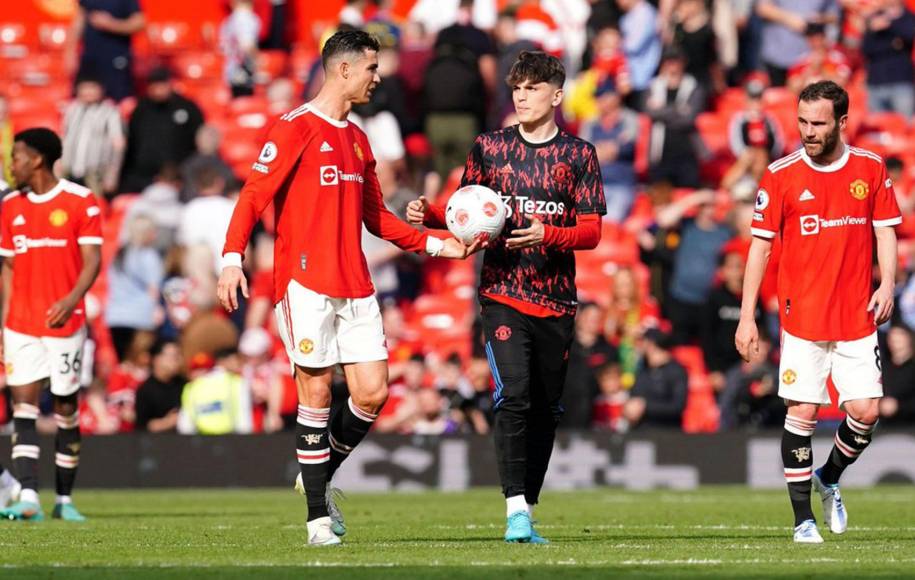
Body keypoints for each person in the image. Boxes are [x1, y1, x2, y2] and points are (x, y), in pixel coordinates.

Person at [217, 30, 477, 546]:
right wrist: (232, 259)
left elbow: (377, 218)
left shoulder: (359, 140)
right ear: (343, 70)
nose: (378, 77)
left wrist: (438, 244)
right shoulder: (293, 128)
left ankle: (316, 472)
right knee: (314, 392)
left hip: (356, 283)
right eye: (371, 68)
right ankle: (318, 520)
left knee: (374, 392)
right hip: (304, 282)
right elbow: (253, 196)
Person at [407, 50, 607, 543]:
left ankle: (528, 505)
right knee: (513, 396)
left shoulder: (578, 154)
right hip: (502, 293)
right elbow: (466, 211)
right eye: (517, 87)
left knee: (545, 409)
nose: (522, 95)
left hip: (556, 300)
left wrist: (546, 234)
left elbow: (593, 231)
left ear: (556, 95)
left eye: (533, 87)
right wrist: (430, 214)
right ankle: (515, 510)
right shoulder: (490, 148)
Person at [736, 81, 902, 544]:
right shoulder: (780, 174)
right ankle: (802, 520)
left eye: (818, 123)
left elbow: (886, 231)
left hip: (855, 314)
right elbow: (759, 248)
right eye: (803, 122)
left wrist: (886, 283)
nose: (808, 131)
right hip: (801, 316)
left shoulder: (869, 168)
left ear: (842, 123)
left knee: (866, 411)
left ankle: (830, 476)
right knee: (803, 410)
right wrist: (747, 316)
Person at [0, 128, 103, 521]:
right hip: (21, 324)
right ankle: (28, 497)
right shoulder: (11, 206)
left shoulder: (79, 201)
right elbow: (7, 269)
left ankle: (64, 500)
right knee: (22, 408)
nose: (12, 165)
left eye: (17, 157)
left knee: (65, 406)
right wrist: (3, 323)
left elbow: (92, 260)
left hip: (65, 323)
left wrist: (71, 299)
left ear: (37, 159)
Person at [120, 67, 204, 193]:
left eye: (162, 85)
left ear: (170, 84)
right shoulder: (141, 109)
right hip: (143, 175)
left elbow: (198, 140)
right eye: (154, 86)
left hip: (177, 176)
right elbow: (133, 141)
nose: (158, 90)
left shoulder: (187, 107)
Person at [60, 73, 126, 197]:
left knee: (95, 208)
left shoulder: (110, 112)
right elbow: (65, 136)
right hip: (69, 171)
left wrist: (112, 175)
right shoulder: (72, 109)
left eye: (92, 88)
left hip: (95, 174)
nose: (88, 92)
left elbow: (118, 144)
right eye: (84, 88)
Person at [68, 0, 146, 101]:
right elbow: (78, 21)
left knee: (117, 98)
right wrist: (70, 52)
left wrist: (111, 24)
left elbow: (140, 22)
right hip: (90, 57)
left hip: (116, 58)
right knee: (85, 98)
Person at [134, 338, 186, 432]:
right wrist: (167, 422)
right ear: (156, 359)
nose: (176, 361)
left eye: (178, 356)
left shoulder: (185, 385)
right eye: (172, 357)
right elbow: (142, 426)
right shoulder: (145, 391)